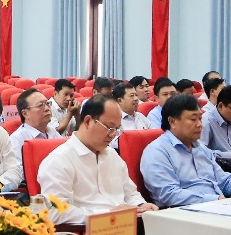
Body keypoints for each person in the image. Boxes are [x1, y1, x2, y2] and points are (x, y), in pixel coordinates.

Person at [37, 96, 156, 225]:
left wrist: (141, 206)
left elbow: (130, 193)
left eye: (117, 129)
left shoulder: (112, 155)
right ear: (88, 121)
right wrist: (107, 214)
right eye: (110, 128)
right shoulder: (59, 161)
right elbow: (55, 212)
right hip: (92, 231)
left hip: (127, 225)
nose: (113, 135)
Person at [140, 94, 231, 207]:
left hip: (216, 205)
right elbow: (168, 195)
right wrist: (214, 199)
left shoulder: (200, 148)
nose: (200, 125)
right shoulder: (157, 151)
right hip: (184, 211)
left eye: (200, 118)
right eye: (193, 119)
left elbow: (225, 182)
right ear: (172, 122)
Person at [9, 87, 52, 185]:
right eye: (40, 105)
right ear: (25, 113)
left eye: (48, 103)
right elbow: (19, 173)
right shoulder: (17, 139)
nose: (47, 109)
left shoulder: (52, 132)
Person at [112, 81, 152, 148]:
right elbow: (114, 144)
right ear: (120, 101)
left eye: (136, 95)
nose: (136, 99)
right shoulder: (114, 120)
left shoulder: (141, 116)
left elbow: (153, 135)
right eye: (131, 96)